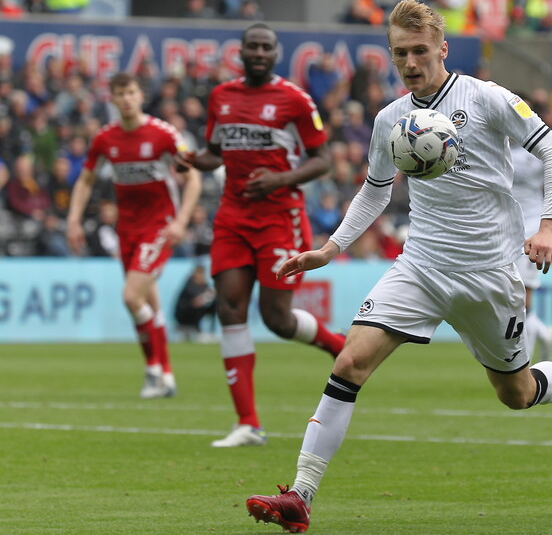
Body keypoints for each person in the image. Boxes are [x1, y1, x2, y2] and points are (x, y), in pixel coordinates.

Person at [243, 0, 552, 532]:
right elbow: (374, 191)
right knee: (348, 364)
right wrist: (331, 248)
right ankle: (301, 495)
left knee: (516, 393)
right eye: (400, 53)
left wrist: (549, 224)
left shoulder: (486, 98)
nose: (410, 62)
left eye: (419, 51)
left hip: (488, 274)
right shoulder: (392, 119)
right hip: (421, 267)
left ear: (442, 48)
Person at [180, 23, 345, 448]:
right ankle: (248, 423)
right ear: (240, 52)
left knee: (277, 319)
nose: (257, 52)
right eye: (251, 46)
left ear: (275, 54)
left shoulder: (294, 99)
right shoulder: (222, 97)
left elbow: (322, 160)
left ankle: (336, 344)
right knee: (230, 308)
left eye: (265, 47)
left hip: (279, 216)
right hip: (232, 217)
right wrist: (187, 160)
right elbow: (213, 154)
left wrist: (280, 179)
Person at [66, 72, 202, 399]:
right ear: (112, 99)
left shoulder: (163, 135)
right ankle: (165, 377)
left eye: (131, 92)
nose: (126, 99)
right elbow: (85, 181)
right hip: (126, 228)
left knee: (131, 296)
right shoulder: (105, 139)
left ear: (140, 95)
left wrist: (181, 221)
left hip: (159, 226)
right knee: (146, 302)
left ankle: (153, 368)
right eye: (120, 94)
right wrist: (73, 220)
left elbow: (193, 178)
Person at [510, 139, 552, 362]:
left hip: (532, 229)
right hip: (500, 228)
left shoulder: (536, 147)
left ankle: (523, 365)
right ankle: (543, 333)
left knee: (521, 297)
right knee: (506, 296)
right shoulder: (489, 142)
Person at [175, 263, 218, 341]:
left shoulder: (205, 285)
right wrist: (206, 296)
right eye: (198, 273)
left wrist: (211, 295)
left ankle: (211, 331)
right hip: (184, 314)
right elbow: (195, 299)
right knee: (197, 304)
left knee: (215, 304)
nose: (200, 275)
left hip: (198, 313)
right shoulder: (189, 284)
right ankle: (187, 329)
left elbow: (211, 295)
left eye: (202, 273)